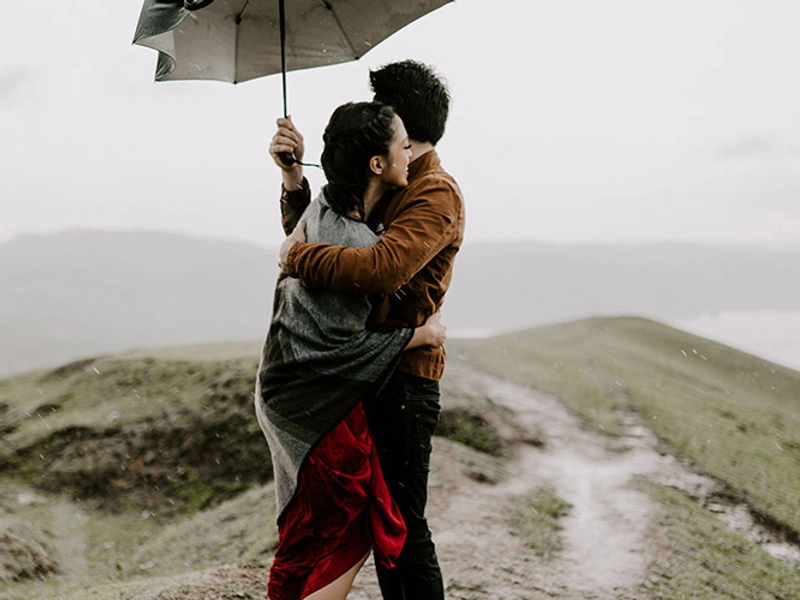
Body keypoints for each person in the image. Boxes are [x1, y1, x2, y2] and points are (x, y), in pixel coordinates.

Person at [269, 60, 464, 600]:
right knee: (373, 523)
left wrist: (297, 257)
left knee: (403, 528)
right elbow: (332, 238)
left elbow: (379, 269)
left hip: (403, 378)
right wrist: (293, 178)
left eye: (383, 112)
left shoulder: (434, 192)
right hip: (360, 370)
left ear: (401, 123)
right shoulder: (386, 176)